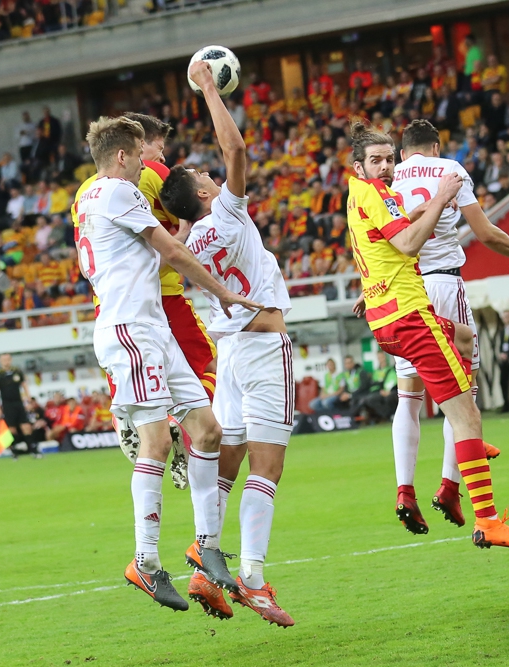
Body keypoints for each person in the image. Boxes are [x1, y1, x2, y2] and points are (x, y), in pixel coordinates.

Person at [77, 115, 260, 611]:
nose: (146, 165)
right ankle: (145, 561)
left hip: (151, 327)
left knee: (207, 430)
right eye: (140, 156)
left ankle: (206, 545)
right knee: (157, 441)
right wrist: (222, 292)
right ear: (121, 156)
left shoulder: (89, 196)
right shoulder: (118, 191)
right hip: (129, 330)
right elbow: (172, 251)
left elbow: (147, 259)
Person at [347, 119, 509, 550]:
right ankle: (484, 516)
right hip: (415, 311)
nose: (385, 167)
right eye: (376, 161)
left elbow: (383, 241)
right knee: (466, 413)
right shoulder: (422, 179)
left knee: (454, 351)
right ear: (359, 165)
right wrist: (440, 198)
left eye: (388, 159)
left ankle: (415, 485)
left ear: (400, 155)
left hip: (386, 314)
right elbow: (409, 243)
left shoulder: (364, 194)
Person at [160, 60, 295, 626]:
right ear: (203, 192)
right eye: (204, 175)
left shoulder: (187, 245)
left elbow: (177, 239)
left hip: (232, 354)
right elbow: (236, 149)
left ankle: (203, 559)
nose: (213, 175)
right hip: (263, 347)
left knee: (228, 463)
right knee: (268, 467)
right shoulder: (229, 215)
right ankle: (254, 580)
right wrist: (209, 90)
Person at [73, 112, 219, 491]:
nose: (159, 157)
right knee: (208, 364)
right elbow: (193, 216)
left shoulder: (85, 191)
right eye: (154, 148)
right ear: (129, 151)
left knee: (138, 390)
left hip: (109, 303)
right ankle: (174, 428)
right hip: (158, 297)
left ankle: (128, 417)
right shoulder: (148, 177)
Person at [0, 353, 39, 457]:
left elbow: (24, 386)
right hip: (7, 404)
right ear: (0, 361)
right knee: (11, 429)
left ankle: (33, 450)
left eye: (8, 359)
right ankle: (15, 451)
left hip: (18, 403)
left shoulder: (17, 372)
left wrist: (29, 400)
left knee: (26, 426)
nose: (6, 362)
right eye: (4, 360)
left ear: (11, 360)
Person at [358, 350, 399, 423]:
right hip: (380, 391)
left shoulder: (391, 369)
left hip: (391, 391)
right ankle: (387, 415)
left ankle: (391, 415)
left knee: (390, 398)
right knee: (370, 399)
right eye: (379, 357)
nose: (381, 359)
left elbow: (395, 382)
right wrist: (380, 390)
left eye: (382, 357)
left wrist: (389, 391)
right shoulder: (376, 372)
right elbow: (374, 384)